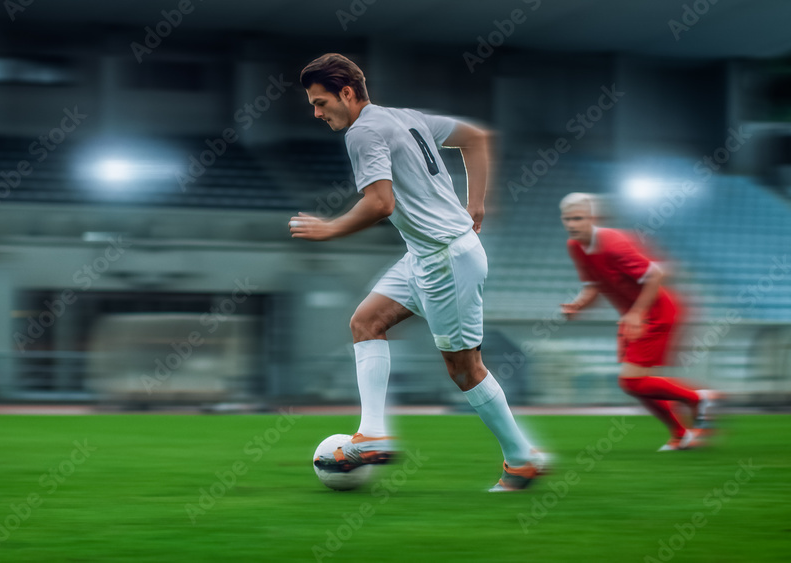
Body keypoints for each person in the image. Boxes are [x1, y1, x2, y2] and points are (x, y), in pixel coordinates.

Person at [291, 53, 544, 491]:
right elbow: (477, 138)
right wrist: (477, 202)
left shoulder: (362, 132)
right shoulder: (405, 117)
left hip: (446, 260)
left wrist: (329, 229)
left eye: (319, 102)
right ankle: (372, 433)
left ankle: (521, 459)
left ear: (346, 93)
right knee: (366, 322)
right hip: (426, 254)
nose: (316, 113)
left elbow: (380, 203)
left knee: (466, 371)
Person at [559, 192, 718, 451]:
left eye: (578, 218)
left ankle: (698, 400)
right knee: (636, 385)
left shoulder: (612, 244)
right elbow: (592, 286)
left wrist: (637, 314)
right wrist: (578, 304)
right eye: (567, 219)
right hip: (635, 316)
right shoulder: (575, 246)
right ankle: (682, 434)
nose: (572, 224)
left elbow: (654, 276)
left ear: (593, 218)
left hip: (656, 312)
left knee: (631, 381)